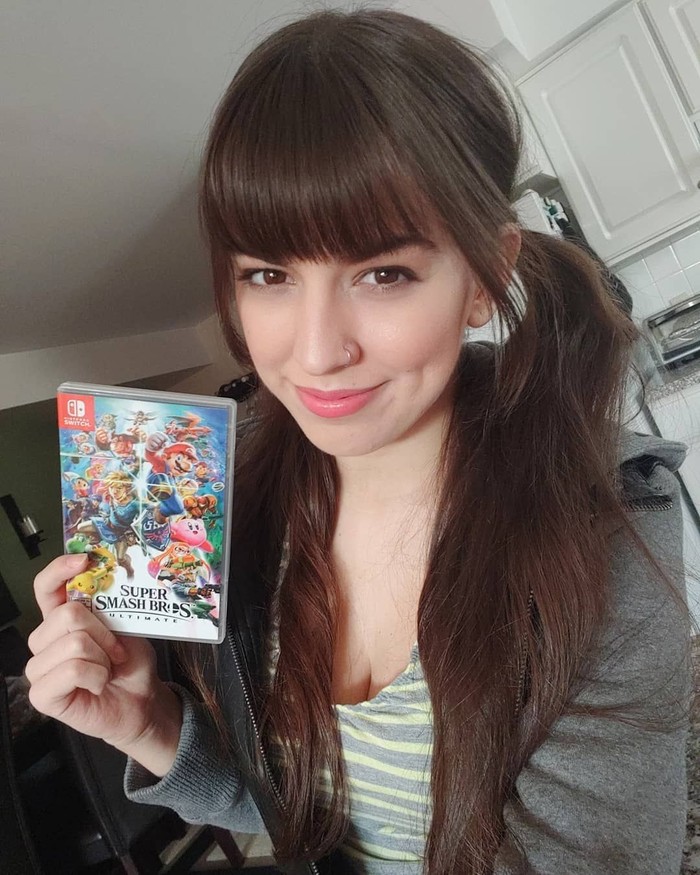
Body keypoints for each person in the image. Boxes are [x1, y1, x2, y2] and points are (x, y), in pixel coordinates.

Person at [25, 9, 692, 874]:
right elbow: (302, 817)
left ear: (484, 277)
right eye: (269, 274)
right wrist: (147, 723)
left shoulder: (605, 528)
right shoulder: (233, 499)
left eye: (384, 273)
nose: (314, 352)